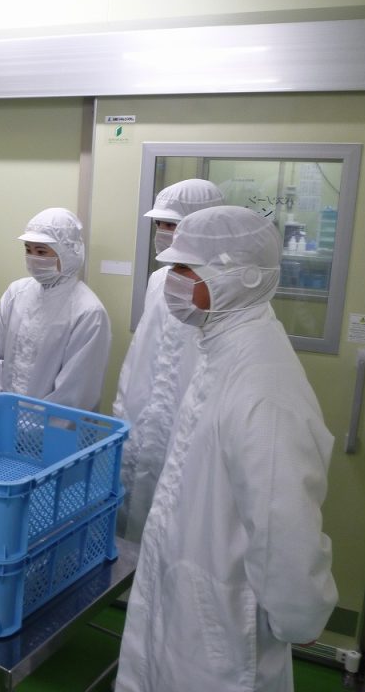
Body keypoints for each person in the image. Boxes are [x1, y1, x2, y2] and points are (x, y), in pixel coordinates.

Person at [116, 206, 338, 692]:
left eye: (185, 268)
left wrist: (299, 614)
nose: (172, 281)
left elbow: (284, 526)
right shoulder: (221, 346)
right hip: (191, 596)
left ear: (241, 277)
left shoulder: (263, 387)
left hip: (221, 624)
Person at [113, 178, 224, 543]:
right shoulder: (159, 279)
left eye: (172, 224)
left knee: (178, 515)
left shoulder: (222, 286)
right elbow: (142, 354)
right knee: (135, 507)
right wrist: (125, 410)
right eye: (160, 224)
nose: (163, 233)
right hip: (146, 419)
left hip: (187, 421)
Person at [0, 207, 110, 411]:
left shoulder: (88, 312)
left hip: (51, 426)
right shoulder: (15, 294)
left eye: (41, 251)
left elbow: (75, 391)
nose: (33, 258)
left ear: (67, 252)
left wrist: (31, 424)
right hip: (0, 418)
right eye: (28, 250)